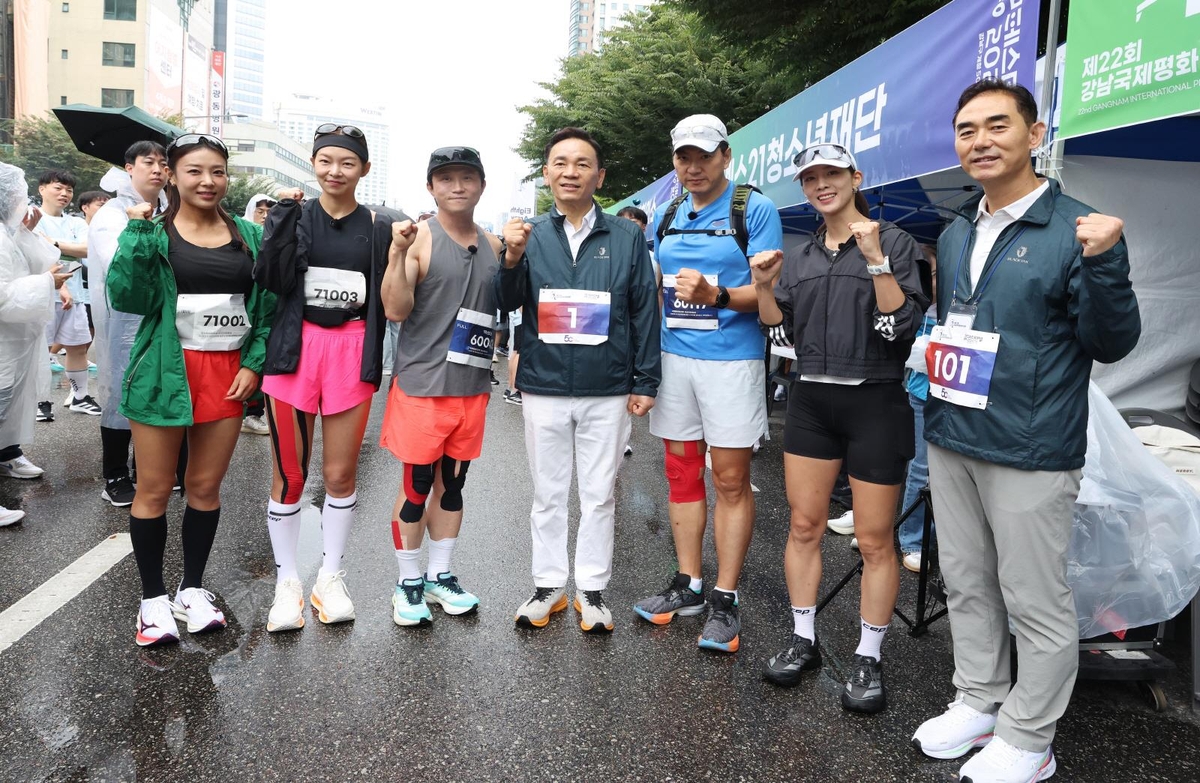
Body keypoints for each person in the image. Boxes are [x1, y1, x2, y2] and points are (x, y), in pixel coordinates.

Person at [911, 80, 1139, 783]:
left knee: (1034, 600)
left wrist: (1106, 263)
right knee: (968, 581)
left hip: (1031, 447)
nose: (979, 140)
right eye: (966, 128)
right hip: (952, 435)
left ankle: (1030, 737)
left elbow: (1113, 341)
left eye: (997, 125)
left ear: (1035, 136)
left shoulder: (1078, 229)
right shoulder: (953, 233)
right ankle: (979, 698)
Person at [750, 143, 927, 712]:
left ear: (855, 177)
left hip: (876, 399)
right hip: (811, 402)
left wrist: (875, 257)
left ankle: (869, 656)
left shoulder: (894, 240)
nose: (821, 185)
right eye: (810, 178)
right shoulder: (798, 255)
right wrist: (763, 288)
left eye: (831, 174)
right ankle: (804, 641)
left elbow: (898, 326)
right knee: (804, 526)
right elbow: (782, 339)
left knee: (876, 541)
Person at [107, 133, 275, 647]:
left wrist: (254, 364)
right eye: (195, 170)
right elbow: (126, 296)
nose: (208, 181)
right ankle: (152, 599)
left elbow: (265, 307)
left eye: (218, 171)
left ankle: (193, 588)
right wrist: (135, 235)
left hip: (227, 376)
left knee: (204, 488)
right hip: (165, 371)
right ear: (173, 176)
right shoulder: (153, 232)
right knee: (154, 489)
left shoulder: (248, 234)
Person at [498, 127, 660, 634]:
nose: (571, 172)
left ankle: (591, 589)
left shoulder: (627, 235)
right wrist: (509, 257)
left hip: (608, 388)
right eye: (561, 163)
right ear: (546, 173)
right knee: (548, 493)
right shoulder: (529, 235)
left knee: (599, 494)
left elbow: (643, 311)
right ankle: (548, 586)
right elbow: (504, 303)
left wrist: (645, 380)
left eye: (582, 163)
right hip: (543, 384)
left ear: (600, 176)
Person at [633, 114, 783, 653]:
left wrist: (716, 296)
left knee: (729, 479)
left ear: (725, 155)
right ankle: (688, 584)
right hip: (675, 361)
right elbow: (654, 287)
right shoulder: (667, 211)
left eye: (704, 156)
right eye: (683, 157)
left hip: (732, 362)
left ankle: (725, 597)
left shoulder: (753, 208)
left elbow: (769, 296)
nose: (693, 167)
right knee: (679, 471)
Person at [255, 124, 394, 633]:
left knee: (339, 474)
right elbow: (269, 278)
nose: (335, 171)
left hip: (352, 352)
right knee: (290, 475)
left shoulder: (377, 227)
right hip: (295, 350)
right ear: (314, 164)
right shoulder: (296, 215)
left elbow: (390, 294)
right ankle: (286, 581)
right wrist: (281, 221)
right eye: (326, 161)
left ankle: (330, 576)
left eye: (347, 162)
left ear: (364, 169)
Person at [379, 146, 502, 626]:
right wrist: (396, 254)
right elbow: (395, 309)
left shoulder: (494, 245)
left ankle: (440, 575)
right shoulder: (419, 239)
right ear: (431, 187)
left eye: (467, 177)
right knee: (417, 486)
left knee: (453, 485)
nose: (457, 186)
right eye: (446, 178)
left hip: (471, 386)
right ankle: (407, 582)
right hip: (423, 386)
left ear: (481, 186)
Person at [88, 142, 169, 507]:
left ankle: (146, 468)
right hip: (125, 319)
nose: (157, 169)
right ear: (129, 167)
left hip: (163, 315)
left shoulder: (170, 207)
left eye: (164, 164)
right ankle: (115, 475)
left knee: (157, 387)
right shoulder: (113, 214)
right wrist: (140, 225)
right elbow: (118, 263)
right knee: (121, 391)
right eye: (148, 162)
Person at [0, 162, 72, 521]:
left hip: (16, 341)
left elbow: (42, 261)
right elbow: (2, 298)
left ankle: (6, 456)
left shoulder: (7, 232)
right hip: (4, 340)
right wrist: (47, 284)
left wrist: (26, 231)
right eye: (17, 193)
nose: (22, 199)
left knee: (9, 406)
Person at [32, 170, 100, 418]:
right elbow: (35, 254)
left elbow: (87, 250)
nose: (64, 194)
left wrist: (55, 245)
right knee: (41, 350)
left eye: (68, 190)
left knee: (77, 347)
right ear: (42, 189)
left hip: (77, 295)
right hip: (42, 293)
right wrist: (59, 281)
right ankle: (41, 402)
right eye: (58, 188)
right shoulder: (31, 219)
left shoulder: (76, 222)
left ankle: (80, 398)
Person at [897, 244, 938, 573]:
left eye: (934, 274)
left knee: (949, 475)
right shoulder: (915, 307)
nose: (930, 281)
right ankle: (911, 539)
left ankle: (934, 538)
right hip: (921, 394)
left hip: (955, 397)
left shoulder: (961, 306)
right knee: (921, 469)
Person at [615, 205, 655, 456]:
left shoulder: (651, 258)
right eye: (626, 222)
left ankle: (621, 438)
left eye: (637, 224)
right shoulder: (608, 249)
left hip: (636, 331)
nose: (632, 228)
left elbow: (652, 299)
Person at [238, 193, 278, 436]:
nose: (264, 216)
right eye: (259, 210)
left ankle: (253, 413)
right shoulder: (238, 235)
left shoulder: (273, 237)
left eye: (269, 212)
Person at [77, 190, 110, 339]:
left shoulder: (109, 231)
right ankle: (51, 354)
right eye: (101, 205)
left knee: (91, 330)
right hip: (81, 291)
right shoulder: (78, 229)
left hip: (100, 292)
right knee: (84, 331)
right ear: (85, 208)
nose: (106, 210)